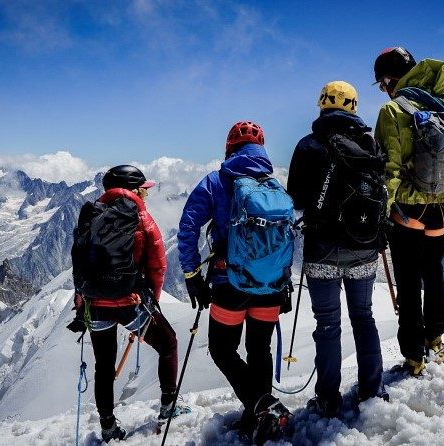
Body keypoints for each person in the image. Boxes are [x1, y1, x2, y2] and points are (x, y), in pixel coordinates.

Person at [177, 121, 293, 441]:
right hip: (270, 284)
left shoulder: (215, 181)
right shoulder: (273, 184)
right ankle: (257, 414)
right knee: (260, 350)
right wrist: (285, 283)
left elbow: (188, 229)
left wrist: (192, 276)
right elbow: (284, 237)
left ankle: (262, 406)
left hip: (229, 283)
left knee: (222, 349)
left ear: (229, 148)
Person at [373, 47, 444, 376]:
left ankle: (414, 357)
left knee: (407, 280)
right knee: (433, 272)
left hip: (407, 212)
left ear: (391, 80)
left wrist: (383, 211)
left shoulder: (392, 111)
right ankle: (436, 341)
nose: (384, 90)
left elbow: (387, 170)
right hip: (443, 213)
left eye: (382, 84)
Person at [287, 81, 388, 417]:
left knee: (328, 324)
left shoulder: (308, 145)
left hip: (323, 251)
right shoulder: (369, 142)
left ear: (322, 103)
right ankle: (372, 391)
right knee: (364, 318)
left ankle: (328, 399)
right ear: (355, 107)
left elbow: (297, 199)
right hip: (364, 248)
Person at [72, 165, 185, 442]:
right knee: (168, 344)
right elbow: (158, 265)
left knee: (104, 366)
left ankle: (108, 426)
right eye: (143, 189)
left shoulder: (91, 215)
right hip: (131, 302)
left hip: (95, 303)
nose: (145, 195)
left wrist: (81, 300)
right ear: (133, 189)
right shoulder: (142, 218)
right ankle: (169, 407)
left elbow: (79, 262)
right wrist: (153, 301)